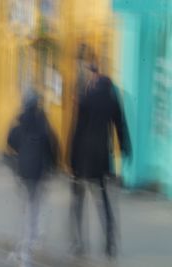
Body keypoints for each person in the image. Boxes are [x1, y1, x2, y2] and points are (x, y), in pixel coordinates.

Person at [68, 64, 131, 258]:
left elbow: (76, 130)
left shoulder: (86, 99)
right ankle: (110, 243)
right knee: (103, 202)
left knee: (78, 201)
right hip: (102, 159)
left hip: (82, 159)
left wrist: (69, 159)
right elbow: (120, 126)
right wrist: (125, 148)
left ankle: (79, 244)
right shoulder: (112, 101)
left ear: (96, 83)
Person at [7, 90, 58, 267]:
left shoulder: (20, 123)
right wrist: (54, 166)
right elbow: (52, 145)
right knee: (35, 208)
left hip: (24, 172)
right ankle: (32, 244)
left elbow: (10, 140)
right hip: (39, 172)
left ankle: (23, 253)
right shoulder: (43, 123)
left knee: (25, 210)